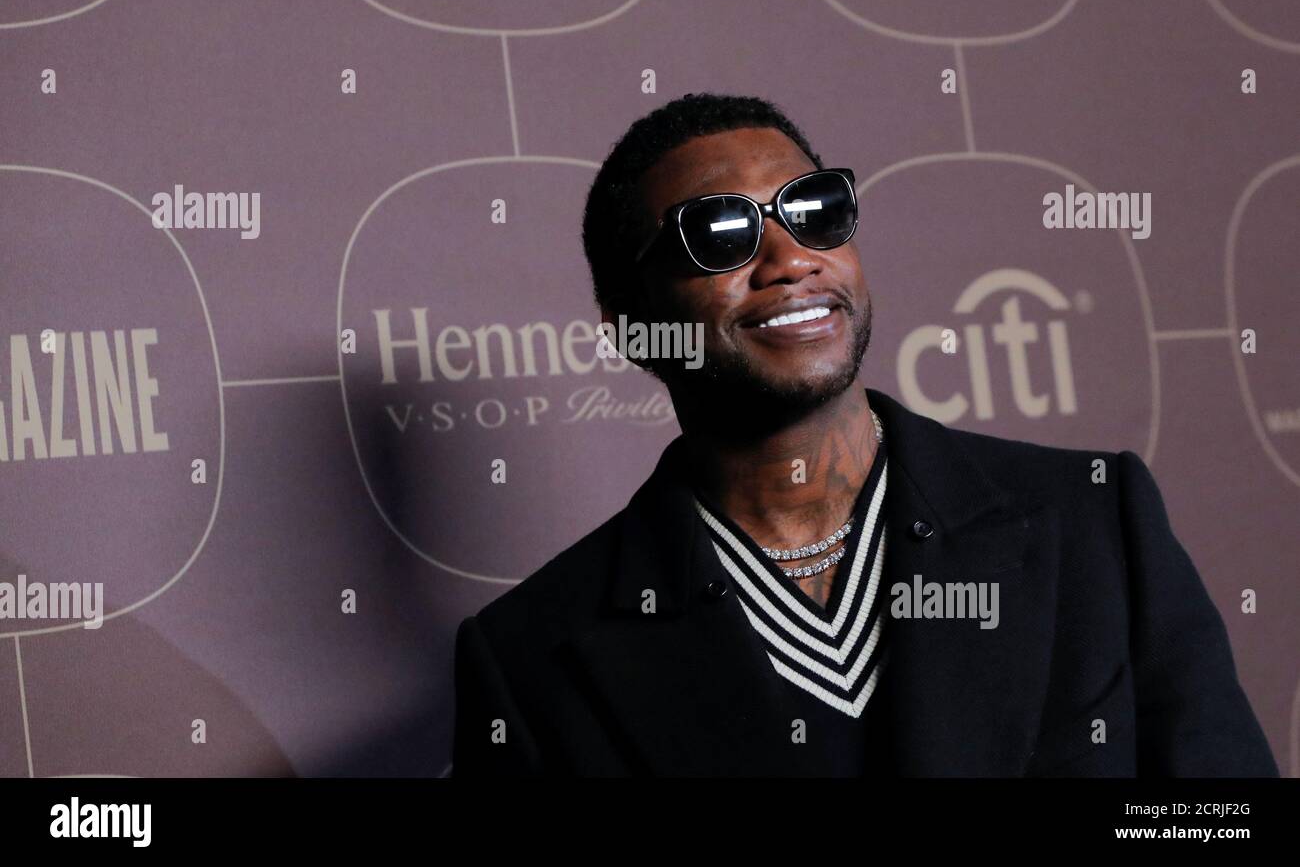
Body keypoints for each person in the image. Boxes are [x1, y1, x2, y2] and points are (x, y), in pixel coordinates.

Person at [452, 92, 1278, 777]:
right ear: (630, 325)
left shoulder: (1095, 522)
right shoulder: (531, 658)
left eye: (814, 212)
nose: (790, 258)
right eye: (720, 236)